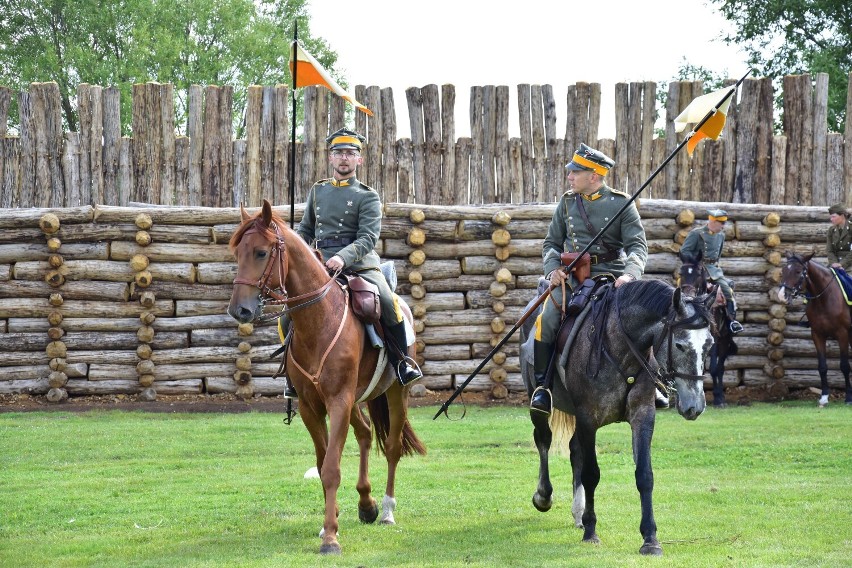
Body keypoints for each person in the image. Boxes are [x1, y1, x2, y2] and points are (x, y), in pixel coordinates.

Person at [284, 128, 422, 398]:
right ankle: (293, 376)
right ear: (330, 158)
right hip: (321, 265)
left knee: (387, 301)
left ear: (359, 160)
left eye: (350, 153)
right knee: (290, 312)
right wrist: (296, 251)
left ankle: (402, 362)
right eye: (338, 153)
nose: (344, 158)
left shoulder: (367, 196)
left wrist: (342, 257)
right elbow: (305, 230)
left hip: (360, 264)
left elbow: (368, 238)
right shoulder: (318, 191)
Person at [530, 143, 649, 415]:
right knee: (545, 320)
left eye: (575, 172)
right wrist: (552, 270)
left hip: (614, 277)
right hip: (573, 278)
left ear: (593, 176)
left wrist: (630, 275)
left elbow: (638, 248)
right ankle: (543, 389)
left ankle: (651, 384)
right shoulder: (568, 202)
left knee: (643, 320)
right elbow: (551, 243)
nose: (569, 177)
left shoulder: (621, 204)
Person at [680, 209, 744, 335]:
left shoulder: (721, 236)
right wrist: (695, 261)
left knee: (727, 289)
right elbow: (684, 251)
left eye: (723, 223)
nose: (723, 226)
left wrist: (715, 268)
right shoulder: (696, 234)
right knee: (684, 289)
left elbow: (717, 256)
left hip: (713, 270)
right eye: (720, 223)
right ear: (712, 221)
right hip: (696, 268)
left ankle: (731, 321)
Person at [826, 203, 852, 270]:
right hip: (835, 264)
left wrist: (841, 264)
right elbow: (830, 250)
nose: (831, 219)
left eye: (833, 217)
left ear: (842, 215)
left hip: (849, 265)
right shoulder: (831, 230)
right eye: (831, 217)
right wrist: (834, 263)